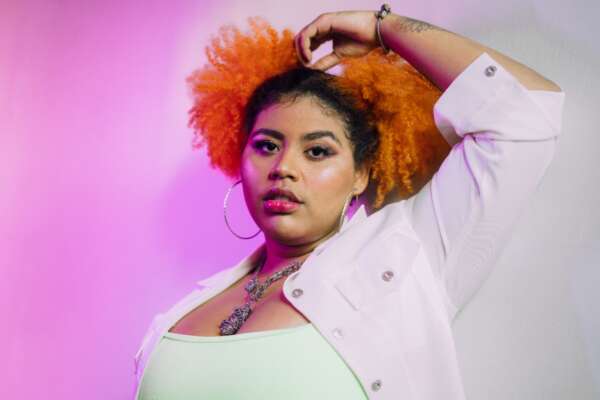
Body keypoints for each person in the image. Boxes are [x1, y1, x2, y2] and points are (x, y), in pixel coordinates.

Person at [132, 5, 565, 399]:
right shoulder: (178, 315)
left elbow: (524, 115)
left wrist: (383, 28)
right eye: (266, 146)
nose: (284, 167)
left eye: (317, 151)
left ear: (361, 173)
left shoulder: (405, 258)